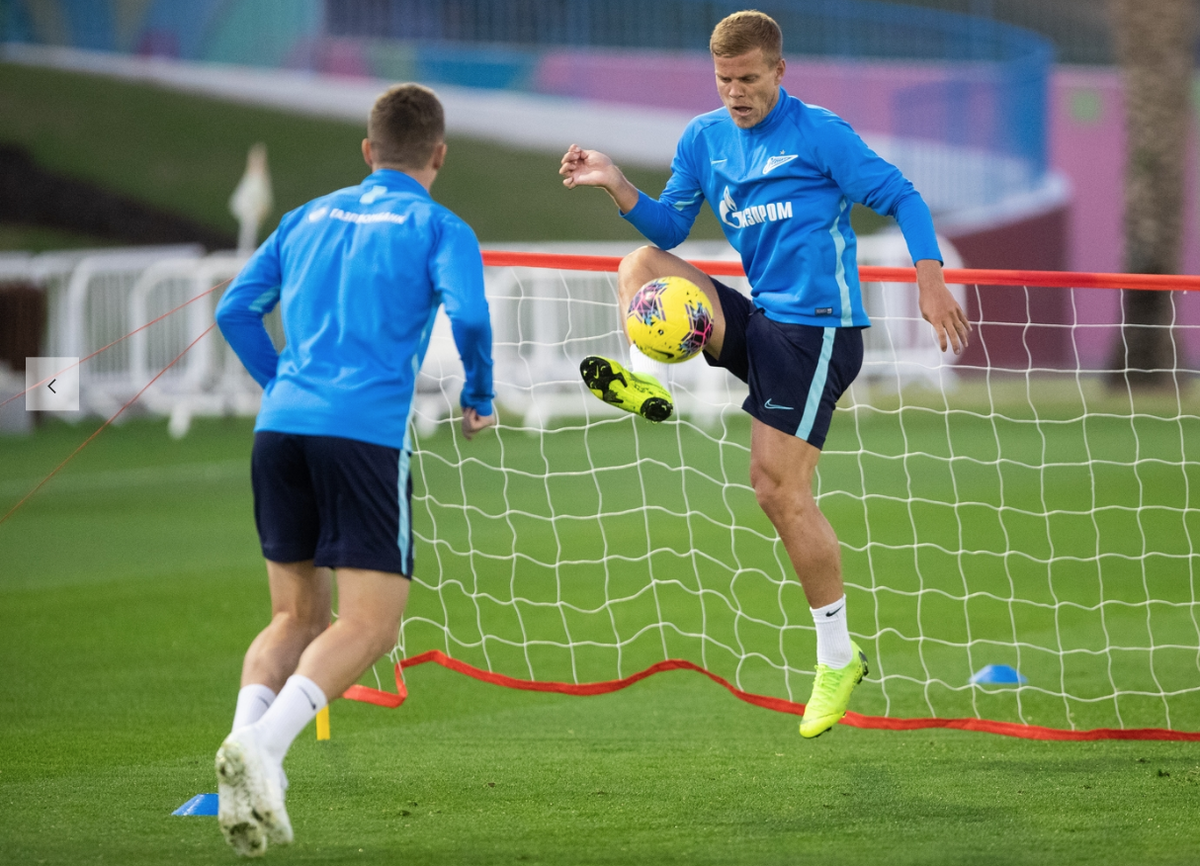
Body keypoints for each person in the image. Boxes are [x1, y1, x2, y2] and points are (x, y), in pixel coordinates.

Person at [559, 10, 969, 739]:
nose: (736, 93)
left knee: (776, 489)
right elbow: (669, 230)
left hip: (819, 334)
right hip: (766, 322)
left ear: (780, 72)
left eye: (749, 79)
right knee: (638, 265)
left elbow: (902, 195)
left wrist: (929, 278)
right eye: (724, 81)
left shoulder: (821, 135)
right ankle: (642, 378)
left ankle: (836, 657)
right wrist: (616, 182)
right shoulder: (704, 138)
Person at [213, 83, 495, 856]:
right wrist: (480, 392)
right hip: (363, 435)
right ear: (438, 155)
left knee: (293, 618)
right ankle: (264, 751)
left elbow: (233, 310)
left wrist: (280, 385)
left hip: (281, 430)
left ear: (368, 151)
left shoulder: (305, 216)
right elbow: (468, 315)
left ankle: (243, 754)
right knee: (368, 625)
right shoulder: (440, 224)